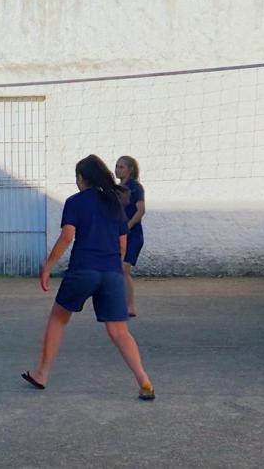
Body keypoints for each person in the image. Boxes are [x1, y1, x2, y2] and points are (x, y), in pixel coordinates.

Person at [21, 155, 155, 401]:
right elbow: (122, 245)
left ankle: (42, 374)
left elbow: (67, 237)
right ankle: (144, 380)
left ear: (82, 178)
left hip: (84, 269)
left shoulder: (75, 202)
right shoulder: (115, 203)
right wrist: (113, 267)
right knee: (119, 331)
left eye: (77, 178)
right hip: (112, 273)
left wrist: (48, 266)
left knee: (58, 319)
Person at [115, 156, 145, 317]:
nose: (117, 170)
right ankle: (120, 303)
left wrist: (128, 226)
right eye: (117, 166)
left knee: (124, 269)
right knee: (117, 269)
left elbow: (141, 210)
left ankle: (130, 306)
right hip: (119, 235)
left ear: (130, 169)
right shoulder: (118, 188)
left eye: (121, 167)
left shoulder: (135, 188)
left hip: (133, 236)